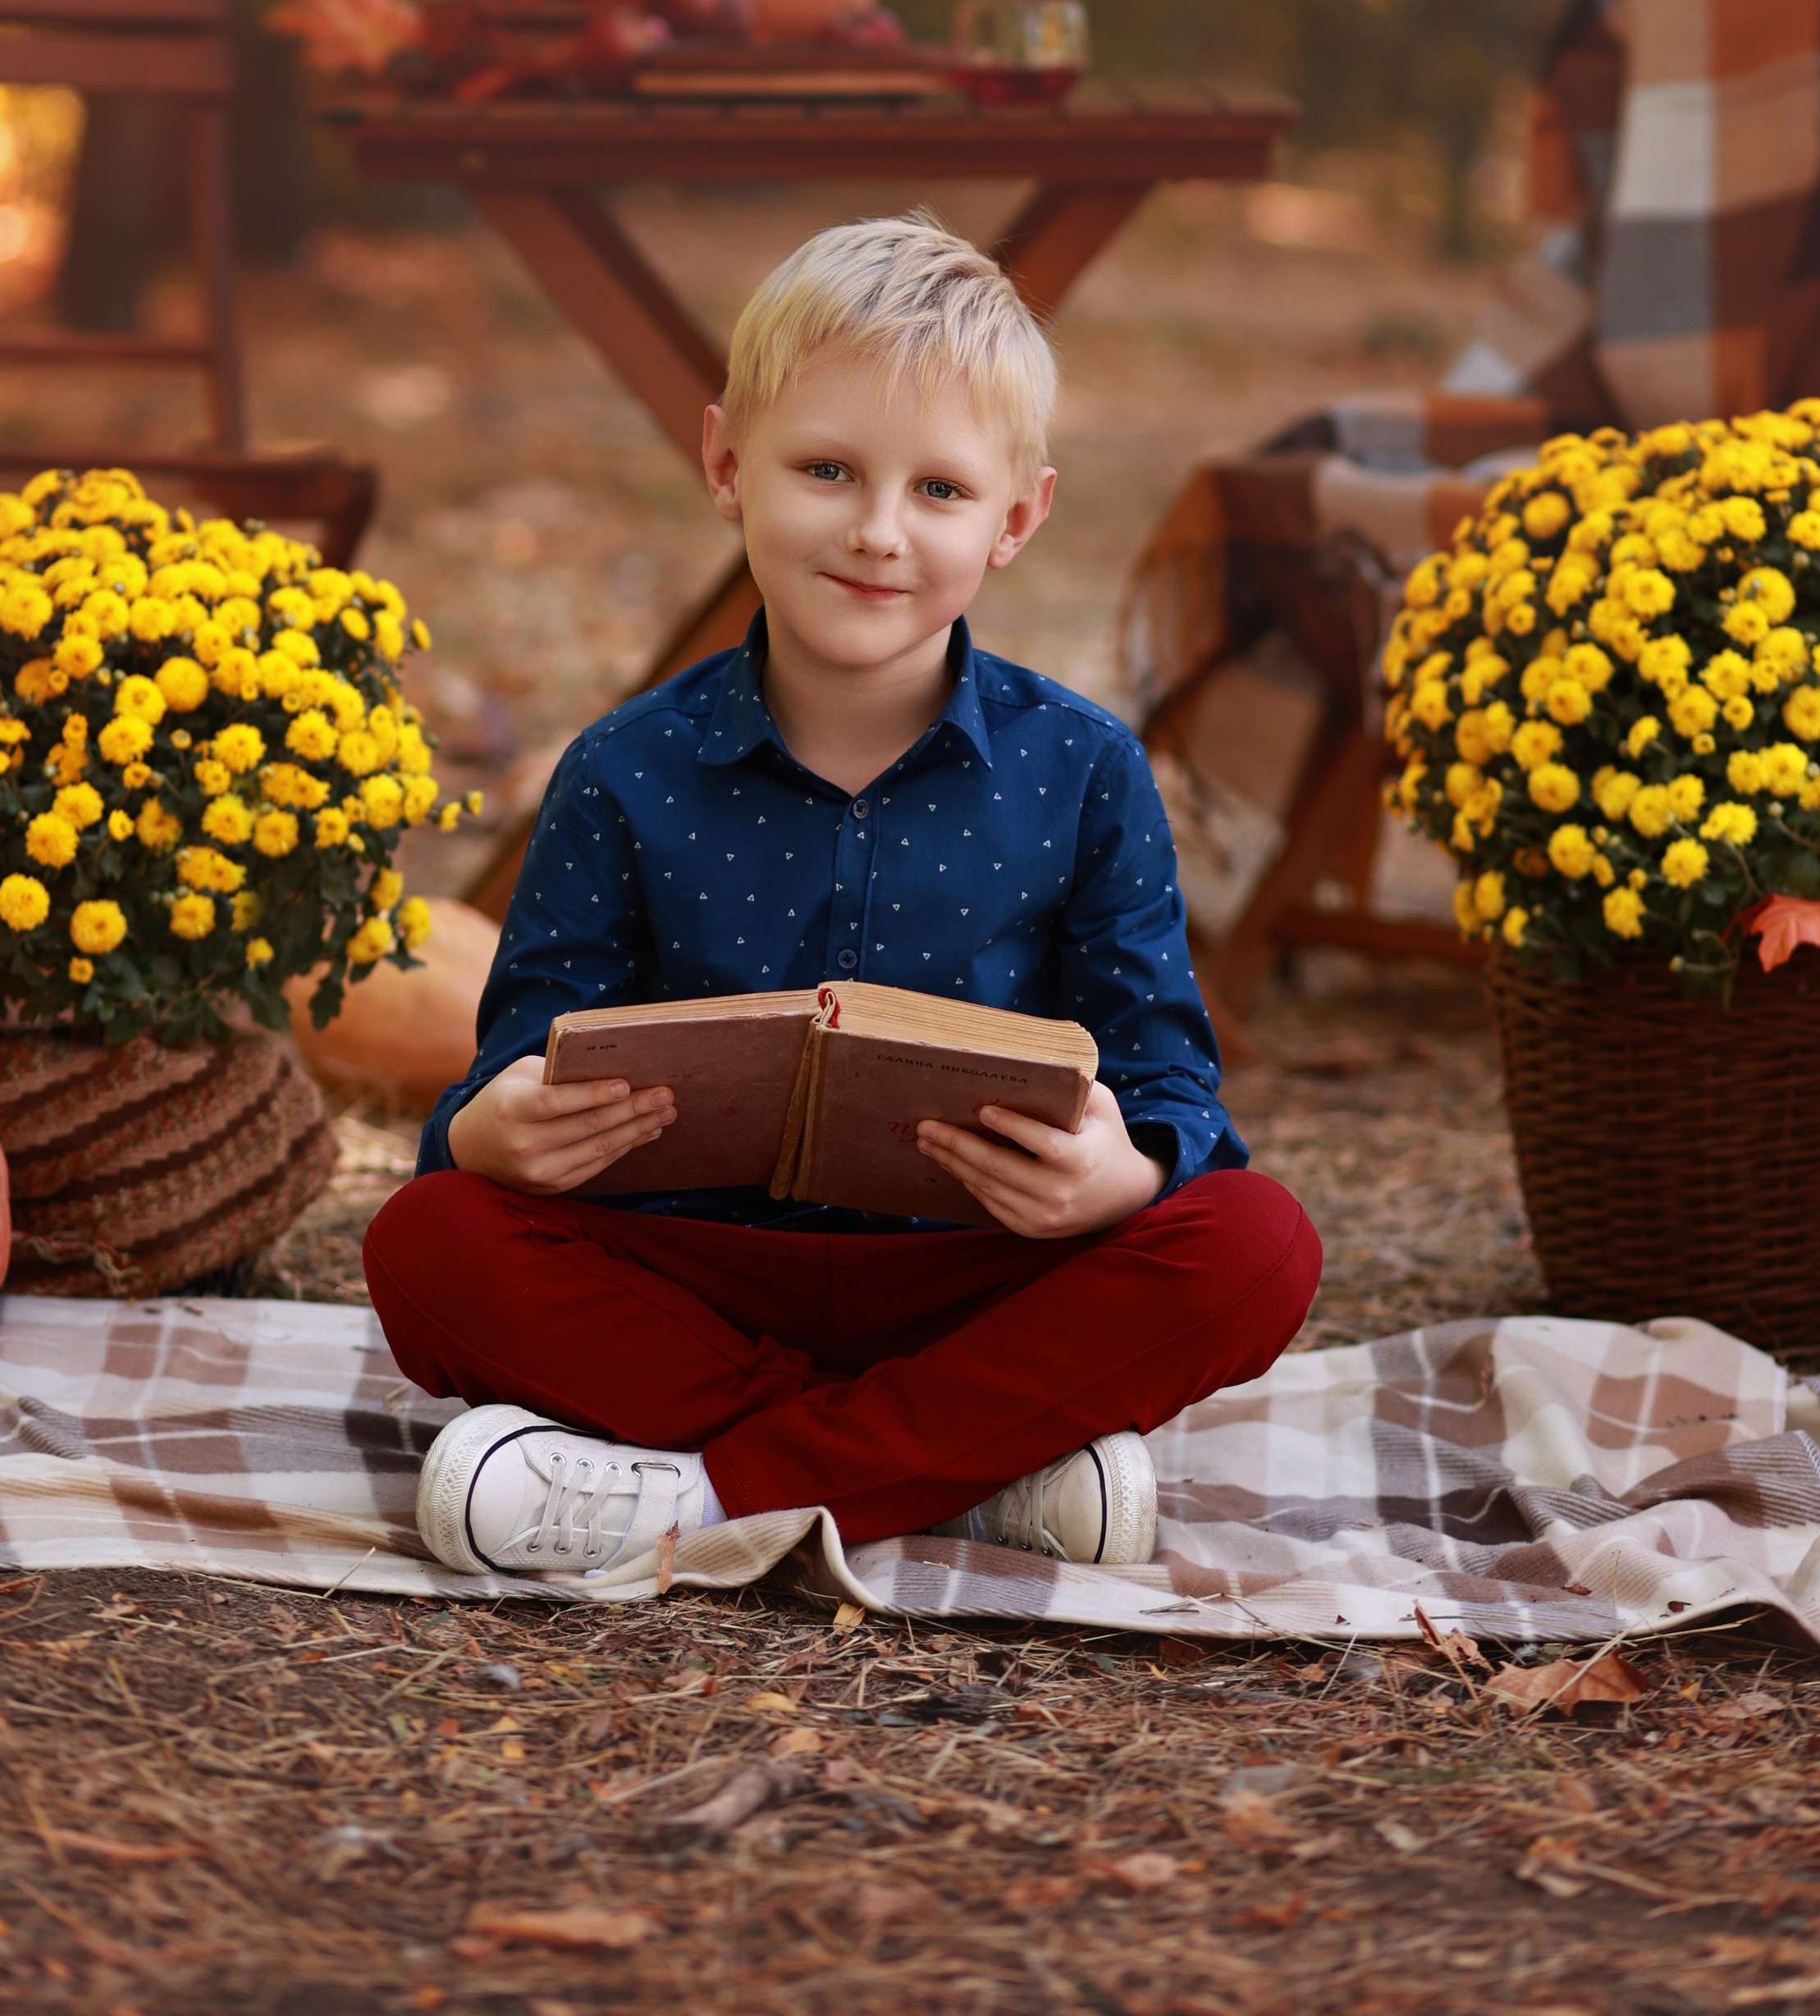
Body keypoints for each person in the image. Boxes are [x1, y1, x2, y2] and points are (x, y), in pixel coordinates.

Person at [364, 212, 1319, 1593]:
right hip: (689, 1276)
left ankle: (700, 1496)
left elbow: (1170, 1078)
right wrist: (495, 1130)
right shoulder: (621, 771)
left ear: (1017, 520)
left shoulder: (1087, 771)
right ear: (726, 467)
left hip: (978, 1281)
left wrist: (1125, 1171)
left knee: (1256, 1245)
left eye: (940, 491)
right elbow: (513, 1071)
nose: (878, 532)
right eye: (826, 470)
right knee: (429, 1243)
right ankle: (971, 1478)